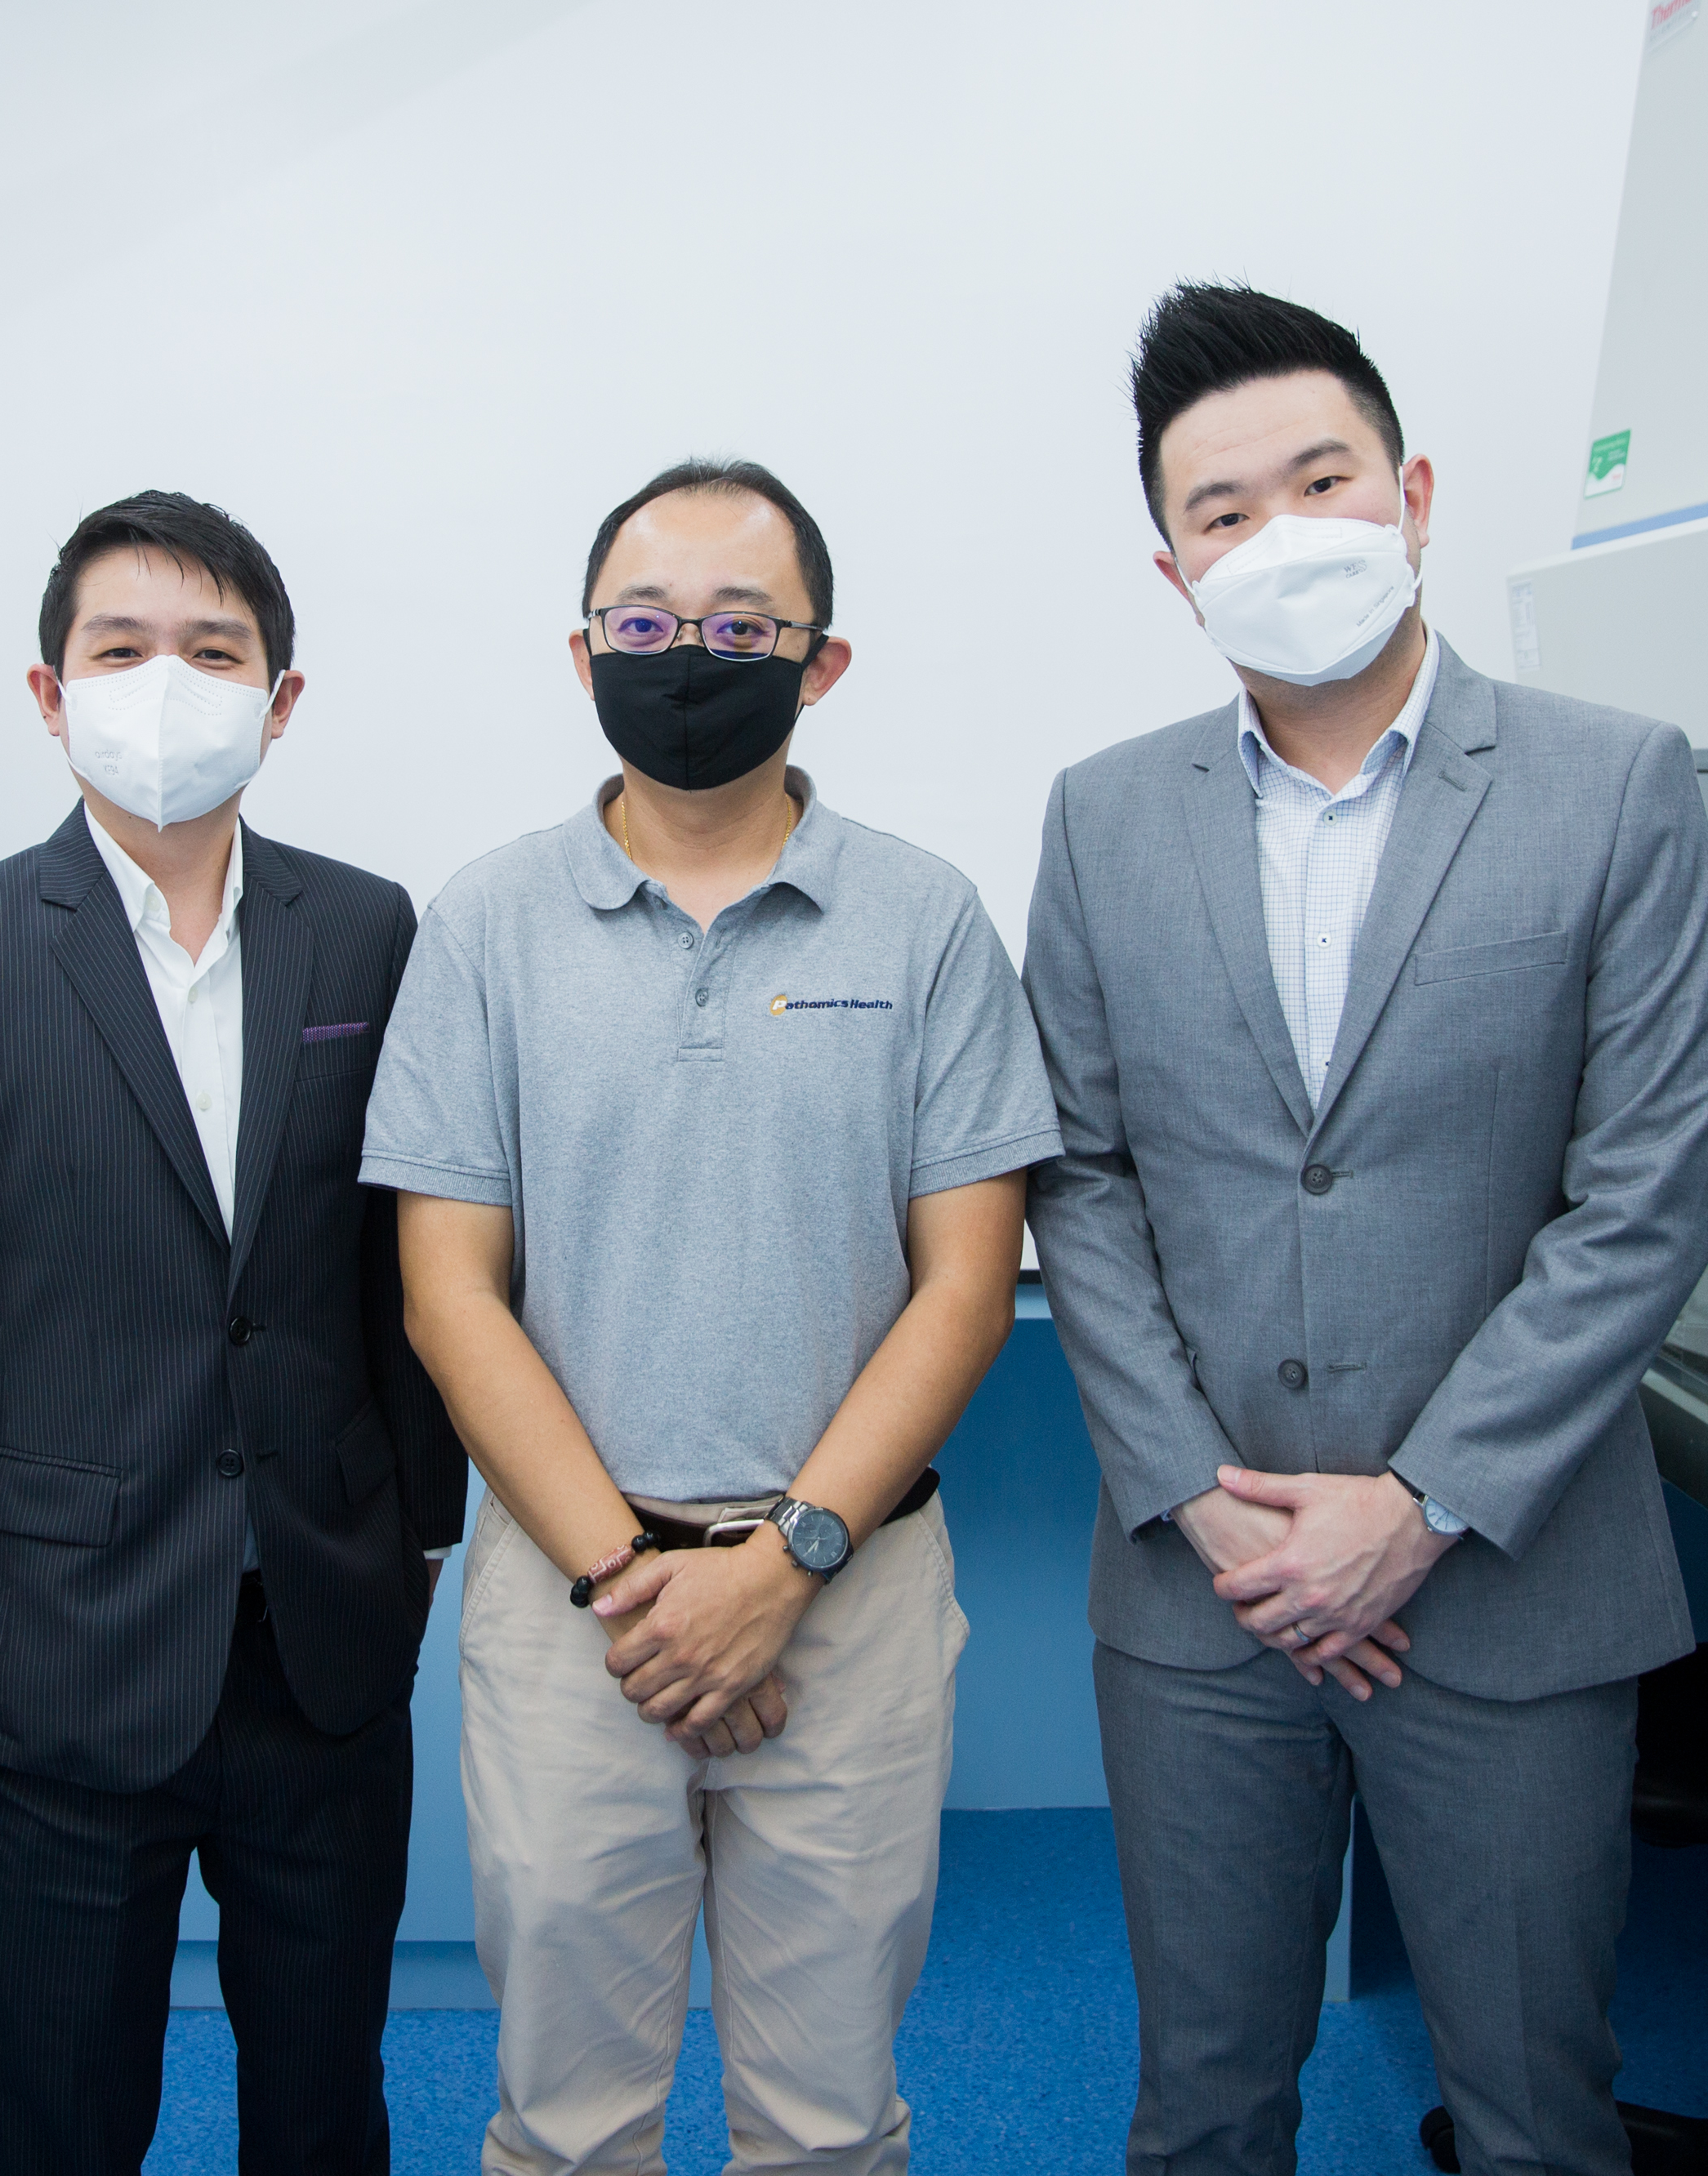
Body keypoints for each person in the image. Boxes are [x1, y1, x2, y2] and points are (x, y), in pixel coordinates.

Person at [1023, 286, 1708, 2176]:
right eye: (1222, 511)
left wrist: (1411, 1509)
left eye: (1317, 479)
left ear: (1411, 492)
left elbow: (1642, 1193)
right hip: (1202, 1589)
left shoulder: (1613, 785)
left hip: (1505, 1580)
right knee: (1200, 2108)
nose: (1277, 535)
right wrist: (1197, 1495)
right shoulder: (1101, 820)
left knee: (1530, 2116)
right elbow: (1076, 1179)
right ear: (1171, 566)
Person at [359, 458, 1060, 2176]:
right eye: (647, 623)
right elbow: (449, 1298)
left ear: (820, 663)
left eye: (741, 626)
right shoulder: (482, 927)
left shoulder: (925, 921)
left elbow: (965, 1286)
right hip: (569, 1605)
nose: (689, 655)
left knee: (827, 2124)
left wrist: (781, 1564)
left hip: (849, 1593)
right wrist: (629, 1584)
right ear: (581, 649)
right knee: (566, 2127)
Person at [0, 491, 466, 2176]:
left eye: (213, 652)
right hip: (58, 1651)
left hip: (317, 1640)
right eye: (120, 651)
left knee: (324, 2107)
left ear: (280, 697)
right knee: (68, 2118)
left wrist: (416, 1531)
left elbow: (404, 1275)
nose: (164, 687)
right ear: (49, 694)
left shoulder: (368, 930)